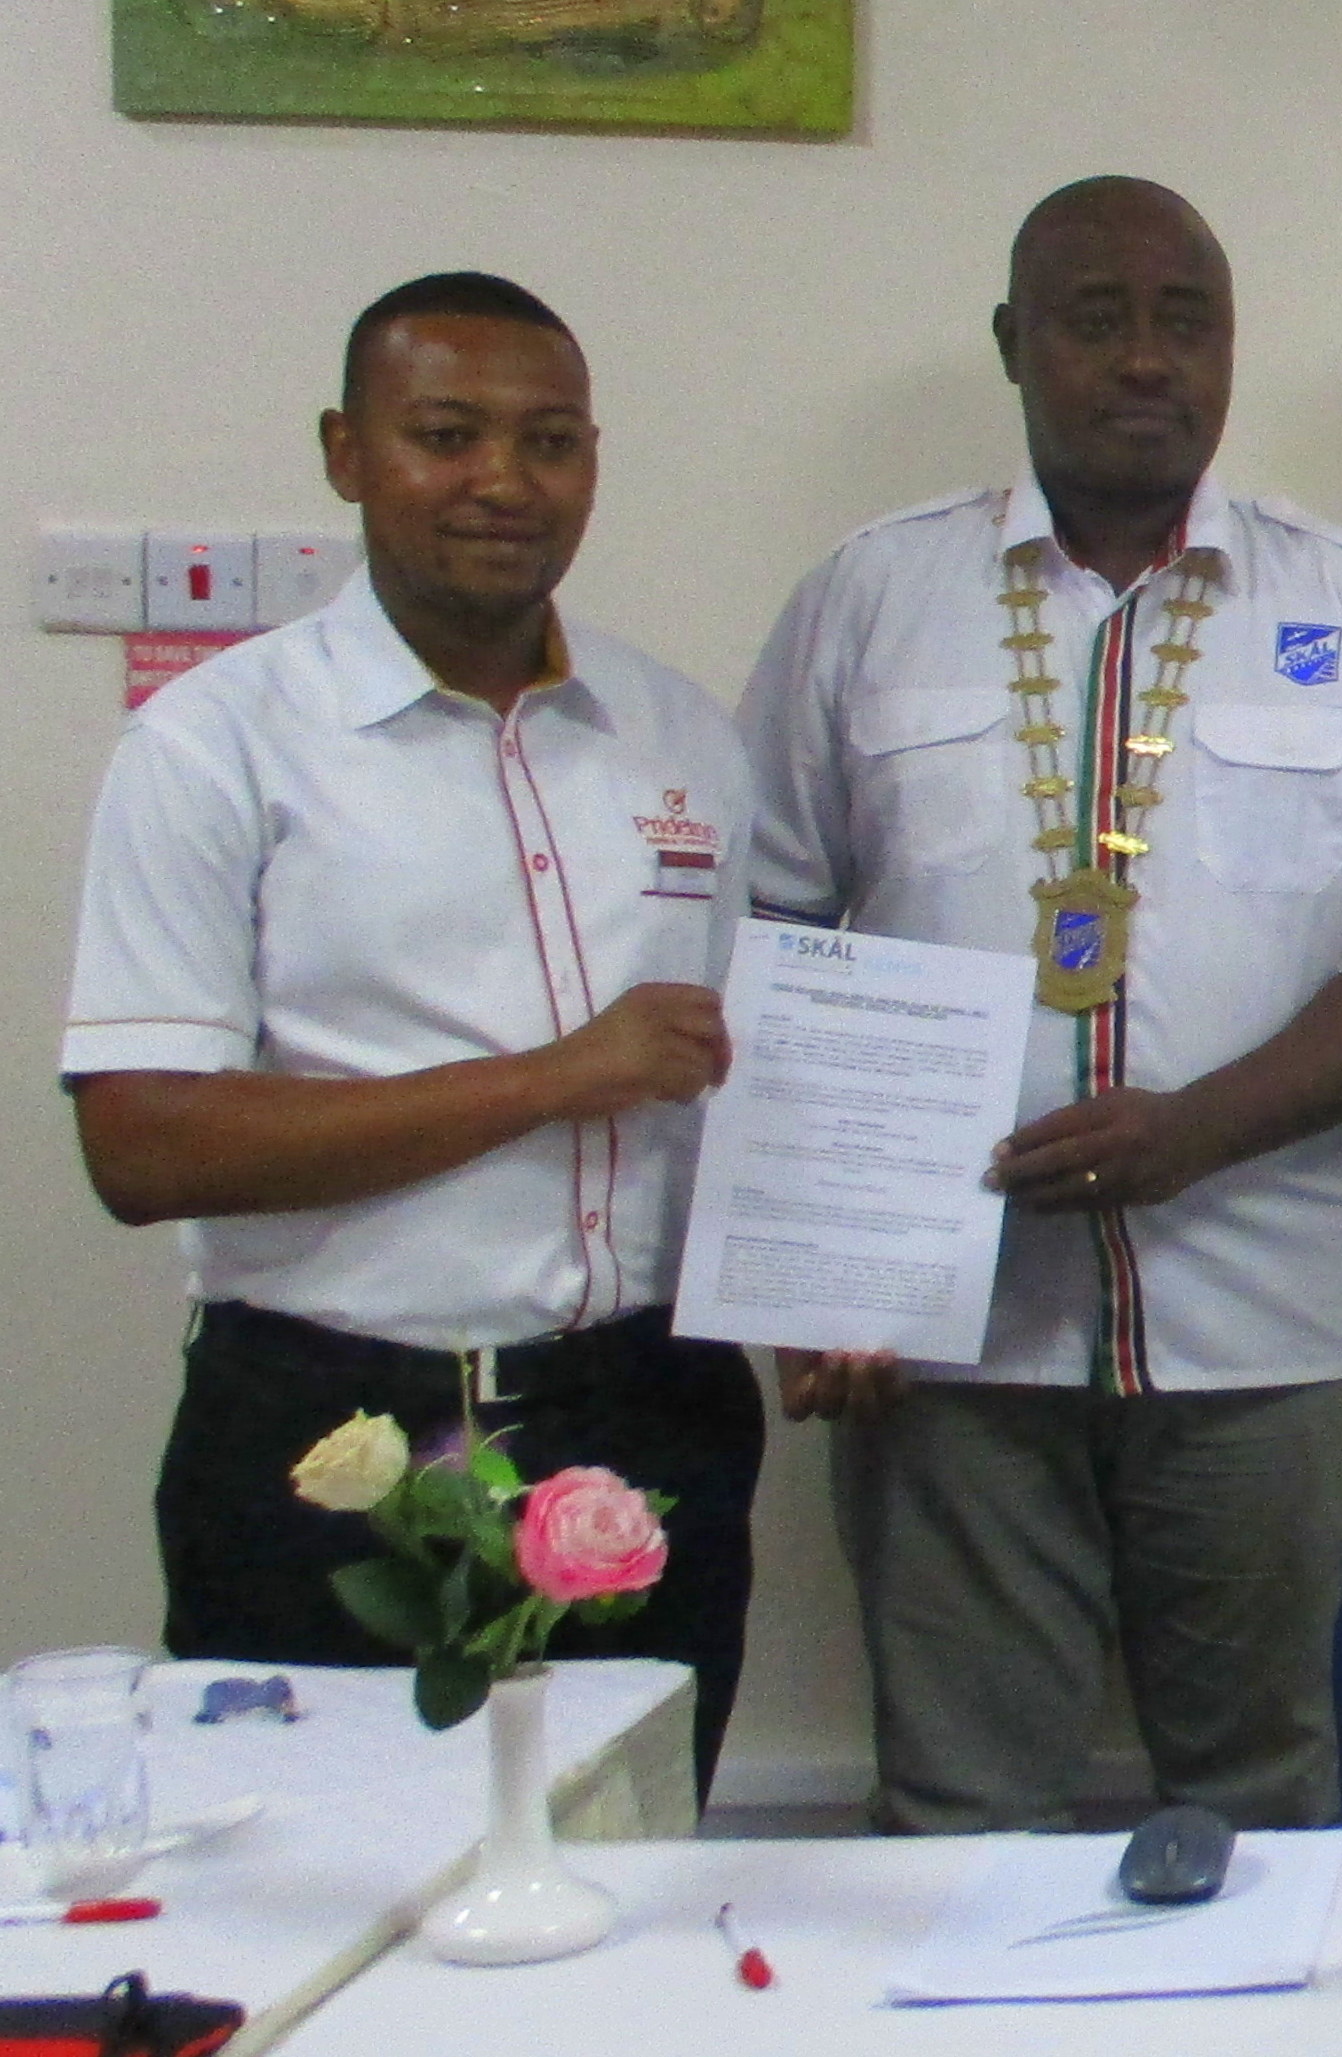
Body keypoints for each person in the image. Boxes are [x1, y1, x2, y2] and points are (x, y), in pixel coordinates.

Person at [736, 178, 1342, 1831]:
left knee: (1279, 1811)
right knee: (961, 1816)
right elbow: (771, 939)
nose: (1146, 358)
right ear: (1014, 342)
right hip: (947, 1349)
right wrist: (814, 1270)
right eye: (1095, 318)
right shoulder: (868, 598)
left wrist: (1192, 1132)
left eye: (1185, 321)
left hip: (1274, 1339)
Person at [64, 274, 765, 1784]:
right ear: (346, 453)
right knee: (328, 1877)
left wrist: (847, 1278)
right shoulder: (216, 743)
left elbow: (737, 1080)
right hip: (334, 1434)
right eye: (447, 435)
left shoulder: (682, 736)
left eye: (551, 441)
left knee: (626, 1861)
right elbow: (141, 1141)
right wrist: (556, 1076)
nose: (504, 481)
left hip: (644, 1411)